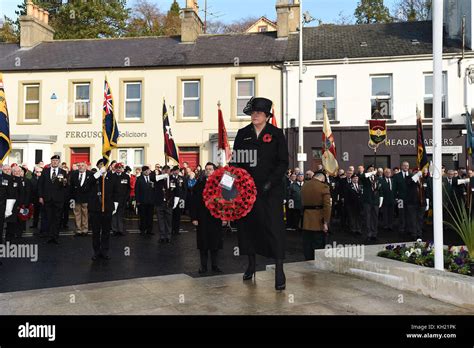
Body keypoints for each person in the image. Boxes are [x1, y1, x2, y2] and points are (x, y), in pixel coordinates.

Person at [232, 97, 289, 291]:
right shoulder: (242, 134)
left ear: (266, 116)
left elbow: (283, 162)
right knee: (248, 228)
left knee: (274, 229)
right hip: (247, 191)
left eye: (259, 112)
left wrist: (270, 183)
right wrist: (227, 186)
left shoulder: (276, 134)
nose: (255, 115)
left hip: (270, 191)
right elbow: (236, 162)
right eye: (253, 112)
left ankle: (279, 270)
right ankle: (251, 265)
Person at [190, 162, 225, 274]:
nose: (208, 171)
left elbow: (226, 202)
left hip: (216, 218)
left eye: (210, 169)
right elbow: (194, 202)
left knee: (215, 244)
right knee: (203, 244)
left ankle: (215, 265)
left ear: (215, 171)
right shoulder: (199, 184)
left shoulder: (221, 184)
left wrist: (225, 217)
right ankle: (203, 266)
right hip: (203, 218)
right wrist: (194, 218)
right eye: (206, 169)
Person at [88, 159, 119, 261]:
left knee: (106, 232)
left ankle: (104, 251)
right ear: (97, 166)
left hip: (108, 208)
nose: (103, 166)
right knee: (96, 232)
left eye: (104, 165)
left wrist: (115, 204)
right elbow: (87, 185)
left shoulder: (112, 177)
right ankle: (96, 252)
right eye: (101, 165)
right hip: (95, 209)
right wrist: (98, 173)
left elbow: (116, 191)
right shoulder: (93, 176)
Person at [300, 171, 331, 260]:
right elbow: (327, 206)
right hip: (318, 220)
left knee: (307, 243)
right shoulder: (323, 187)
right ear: (322, 178)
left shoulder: (304, 185)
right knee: (318, 244)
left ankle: (307, 261)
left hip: (306, 219)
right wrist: (326, 222)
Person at [38, 155, 69, 244]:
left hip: (58, 199)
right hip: (47, 198)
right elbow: (40, 184)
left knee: (57, 218)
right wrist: (40, 196)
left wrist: (65, 183)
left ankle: (55, 236)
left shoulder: (63, 172)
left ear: (59, 162)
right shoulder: (45, 171)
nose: (55, 162)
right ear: (51, 161)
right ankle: (49, 236)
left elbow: (66, 186)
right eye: (53, 160)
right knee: (48, 218)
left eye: (56, 160)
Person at [154, 165, 180, 243]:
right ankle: (162, 236)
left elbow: (177, 191)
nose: (166, 172)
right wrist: (162, 176)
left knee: (169, 221)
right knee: (160, 221)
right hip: (160, 203)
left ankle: (168, 236)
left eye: (167, 170)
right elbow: (152, 178)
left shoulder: (173, 180)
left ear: (170, 171)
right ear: (162, 171)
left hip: (169, 203)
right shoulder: (158, 179)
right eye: (164, 170)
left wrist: (175, 202)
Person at [360, 165, 383, 242]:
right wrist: (371, 173)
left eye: (373, 169)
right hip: (367, 201)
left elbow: (380, 191)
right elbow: (362, 176)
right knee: (368, 218)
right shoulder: (365, 178)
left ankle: (374, 234)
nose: (372, 171)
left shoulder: (378, 179)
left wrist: (380, 201)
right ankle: (368, 234)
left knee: (375, 218)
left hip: (375, 201)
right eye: (370, 169)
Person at [70, 161, 93, 236]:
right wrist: (71, 199)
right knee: (77, 214)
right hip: (76, 197)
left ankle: (85, 230)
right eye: (79, 165)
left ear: (86, 166)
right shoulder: (74, 174)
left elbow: (93, 185)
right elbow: (71, 187)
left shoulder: (90, 174)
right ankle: (78, 230)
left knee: (85, 214)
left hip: (86, 198)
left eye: (82, 165)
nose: (80, 167)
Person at [5, 166, 27, 241]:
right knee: (10, 224)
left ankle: (16, 238)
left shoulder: (22, 180)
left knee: (19, 222)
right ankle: (9, 240)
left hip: (19, 205)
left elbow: (23, 194)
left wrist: (22, 204)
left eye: (18, 171)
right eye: (15, 171)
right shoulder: (10, 179)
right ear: (12, 172)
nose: (17, 172)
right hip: (11, 205)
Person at [135, 166, 155, 235]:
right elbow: (137, 191)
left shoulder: (152, 179)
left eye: (149, 170)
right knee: (143, 216)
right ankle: (142, 230)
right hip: (142, 201)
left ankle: (149, 230)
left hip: (151, 201)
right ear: (144, 171)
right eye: (147, 170)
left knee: (150, 216)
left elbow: (154, 190)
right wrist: (137, 201)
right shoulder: (139, 179)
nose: (148, 172)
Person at [111, 163, 130, 236]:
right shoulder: (112, 176)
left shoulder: (126, 176)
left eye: (120, 168)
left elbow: (128, 188)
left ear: (122, 168)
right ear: (115, 169)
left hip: (122, 199)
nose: (118, 169)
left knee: (121, 215)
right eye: (117, 168)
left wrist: (126, 198)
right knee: (114, 215)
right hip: (114, 199)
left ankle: (120, 230)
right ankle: (115, 230)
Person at [171, 165, 186, 235]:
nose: (176, 172)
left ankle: (176, 230)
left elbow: (184, 189)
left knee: (178, 215)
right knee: (171, 215)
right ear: (173, 171)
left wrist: (183, 198)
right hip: (172, 200)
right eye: (175, 170)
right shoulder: (170, 178)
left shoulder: (181, 178)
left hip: (179, 199)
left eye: (177, 170)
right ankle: (171, 230)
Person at [380, 168, 395, 232]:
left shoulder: (393, 180)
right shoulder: (381, 181)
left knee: (391, 214)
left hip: (392, 200)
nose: (388, 173)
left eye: (389, 172)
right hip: (385, 200)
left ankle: (390, 225)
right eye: (387, 172)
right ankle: (385, 225)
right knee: (385, 214)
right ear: (384, 173)